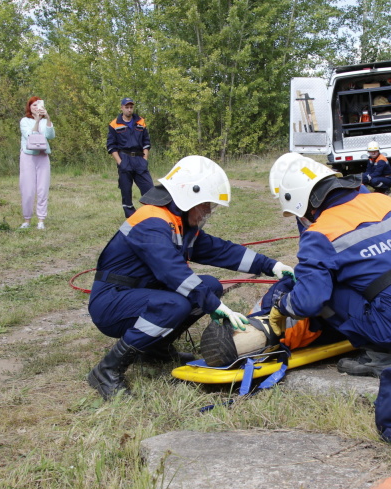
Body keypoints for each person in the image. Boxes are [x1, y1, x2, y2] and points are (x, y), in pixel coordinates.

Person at [87, 155, 294, 400]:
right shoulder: (151, 222)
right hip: (112, 302)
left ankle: (155, 349)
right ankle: (107, 369)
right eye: (206, 204)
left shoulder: (180, 224)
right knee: (174, 303)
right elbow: (171, 271)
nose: (208, 211)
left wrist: (272, 266)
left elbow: (222, 251)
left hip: (137, 294)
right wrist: (217, 307)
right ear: (189, 197)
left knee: (210, 285)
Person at [267, 155, 391, 377]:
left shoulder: (320, 234)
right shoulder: (385, 201)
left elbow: (308, 303)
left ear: (299, 202)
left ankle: (379, 358)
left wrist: (282, 305)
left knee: (325, 291)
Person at [106, 97, 154, 217]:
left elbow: (146, 142)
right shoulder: (114, 124)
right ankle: (131, 217)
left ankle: (151, 214)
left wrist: (145, 159)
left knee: (149, 189)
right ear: (122, 108)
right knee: (126, 190)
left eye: (131, 107)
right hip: (124, 158)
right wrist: (120, 162)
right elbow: (111, 146)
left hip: (139, 159)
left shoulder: (141, 122)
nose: (129, 109)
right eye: (126, 107)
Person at [19, 96, 55, 229]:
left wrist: (47, 118)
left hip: (43, 156)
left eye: (38, 105)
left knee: (42, 189)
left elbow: (50, 135)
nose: (36, 107)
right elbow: (29, 135)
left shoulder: (45, 121)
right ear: (29, 107)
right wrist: (37, 121)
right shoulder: (25, 121)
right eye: (33, 105)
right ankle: (27, 219)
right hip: (28, 156)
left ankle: (41, 220)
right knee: (28, 189)